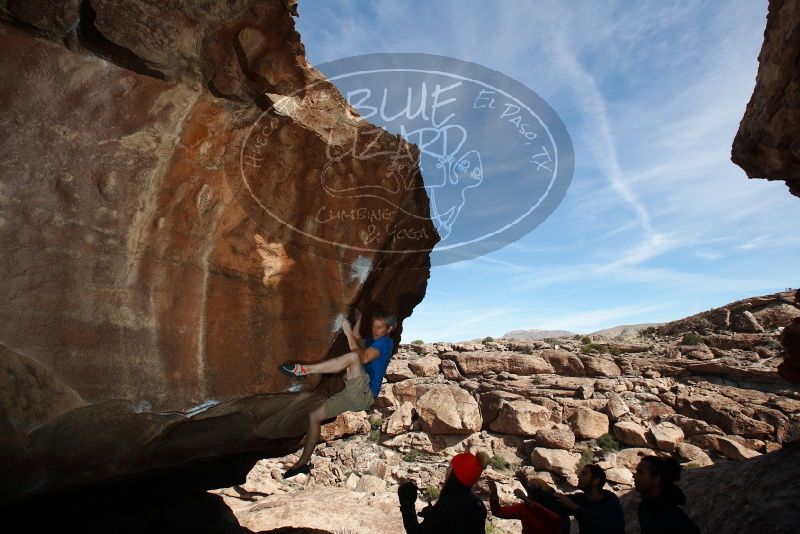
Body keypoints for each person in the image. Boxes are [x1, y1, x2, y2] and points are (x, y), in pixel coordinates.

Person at [278, 309, 396, 478]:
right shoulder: (372, 340)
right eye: (373, 326)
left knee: (353, 358)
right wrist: (359, 321)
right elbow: (356, 341)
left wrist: (347, 333)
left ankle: (303, 370)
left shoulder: (385, 342)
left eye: (379, 327)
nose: (374, 330)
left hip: (364, 393)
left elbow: (360, 357)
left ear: (389, 329)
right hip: (351, 394)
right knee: (314, 416)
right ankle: (302, 464)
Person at [397, 451, 490, 534]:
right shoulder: (478, 505)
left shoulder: (448, 504)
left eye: (450, 467)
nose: (447, 470)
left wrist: (407, 505)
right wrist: (432, 515)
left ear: (454, 475)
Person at [521, 464, 625, 534]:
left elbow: (604, 525)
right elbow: (555, 501)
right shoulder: (582, 499)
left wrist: (575, 508)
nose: (579, 476)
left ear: (596, 481)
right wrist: (535, 489)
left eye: (584, 474)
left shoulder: (611, 503)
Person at [634, 456, 701, 534]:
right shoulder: (645, 507)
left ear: (657, 478)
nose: (634, 476)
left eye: (640, 472)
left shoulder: (674, 518)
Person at [487, 476, 562, 534]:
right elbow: (498, 512)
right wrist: (494, 494)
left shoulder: (554, 502)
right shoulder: (523, 507)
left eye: (534, 487)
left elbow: (554, 519)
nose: (530, 489)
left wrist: (527, 501)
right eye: (528, 488)